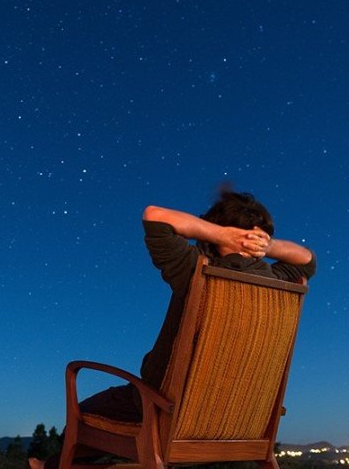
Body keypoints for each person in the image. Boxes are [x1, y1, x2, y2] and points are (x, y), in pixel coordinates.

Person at [31, 189, 316, 469]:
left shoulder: (196, 270)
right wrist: (268, 247)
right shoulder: (278, 284)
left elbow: (154, 216)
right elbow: (307, 260)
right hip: (247, 420)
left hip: (167, 412)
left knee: (83, 416)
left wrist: (220, 233)